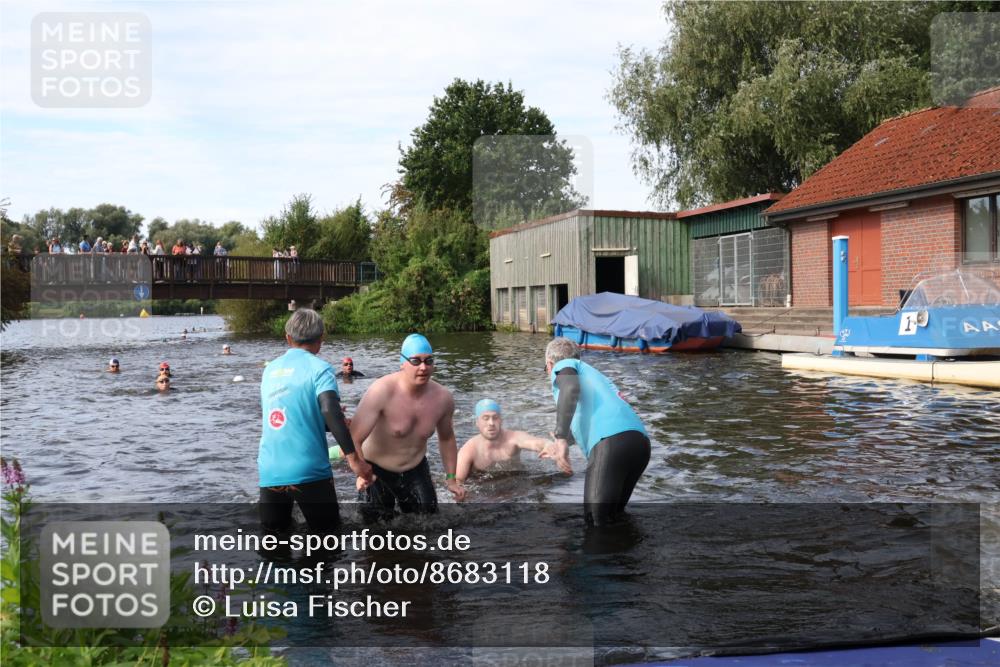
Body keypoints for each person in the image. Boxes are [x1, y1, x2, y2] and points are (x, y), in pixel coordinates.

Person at [258, 308, 374, 535]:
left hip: (270, 469)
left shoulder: (269, 370)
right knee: (327, 541)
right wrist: (354, 460)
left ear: (287, 338)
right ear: (321, 339)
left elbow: (289, 417)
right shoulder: (321, 369)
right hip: (309, 470)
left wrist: (328, 422)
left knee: (275, 543)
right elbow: (330, 408)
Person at [350, 333, 465, 523]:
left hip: (415, 469)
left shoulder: (443, 398)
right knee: (374, 529)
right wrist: (360, 471)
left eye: (429, 361)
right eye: (416, 361)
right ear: (402, 362)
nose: (423, 367)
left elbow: (446, 438)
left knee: (429, 525)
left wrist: (451, 479)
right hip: (376, 471)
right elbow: (354, 437)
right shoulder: (381, 391)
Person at [541, 337, 651, 526]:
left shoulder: (565, 365)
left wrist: (560, 437)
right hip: (638, 444)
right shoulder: (593, 377)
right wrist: (562, 442)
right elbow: (585, 421)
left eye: (546, 369)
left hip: (612, 444)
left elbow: (570, 388)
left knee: (596, 523)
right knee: (614, 518)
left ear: (550, 365)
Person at [455, 399, 556, 483]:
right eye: (485, 418)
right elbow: (458, 481)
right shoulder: (469, 450)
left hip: (516, 482)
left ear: (501, 420)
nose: (491, 423)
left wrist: (548, 445)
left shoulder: (513, 438)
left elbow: (535, 442)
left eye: (495, 418)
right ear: (477, 422)